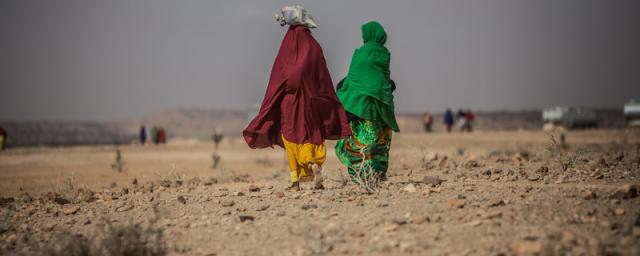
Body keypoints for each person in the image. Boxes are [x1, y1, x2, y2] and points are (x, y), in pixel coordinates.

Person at [243, 6, 351, 192]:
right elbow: (323, 77)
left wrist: (272, 99)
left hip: (290, 103)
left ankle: (296, 182)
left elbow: (281, 76)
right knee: (311, 134)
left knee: (291, 137)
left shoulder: (288, 47)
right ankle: (314, 163)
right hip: (313, 103)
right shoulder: (315, 47)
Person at [335, 21, 399, 181]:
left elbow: (354, 79)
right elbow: (379, 80)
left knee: (362, 140)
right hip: (380, 107)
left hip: (361, 106)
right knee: (378, 141)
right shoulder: (384, 54)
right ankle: (377, 173)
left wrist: (343, 91)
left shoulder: (360, 53)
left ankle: (360, 174)